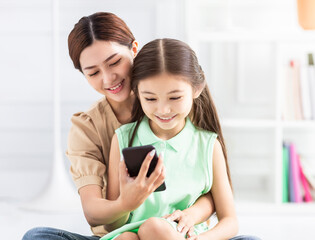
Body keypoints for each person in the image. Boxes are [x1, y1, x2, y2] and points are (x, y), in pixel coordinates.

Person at [22, 12, 259, 240]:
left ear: (133, 50)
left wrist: (195, 216)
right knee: (37, 237)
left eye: (114, 62)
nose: (108, 79)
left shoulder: (180, 102)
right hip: (122, 233)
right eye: (93, 72)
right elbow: (95, 214)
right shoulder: (104, 132)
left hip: (184, 232)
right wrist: (126, 202)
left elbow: (212, 194)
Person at [100, 38, 239, 240]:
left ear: (196, 89)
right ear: (137, 93)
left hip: (185, 236)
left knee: (154, 228)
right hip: (130, 234)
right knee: (124, 238)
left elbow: (230, 221)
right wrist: (125, 203)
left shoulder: (208, 145)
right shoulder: (124, 139)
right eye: (150, 98)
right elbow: (112, 224)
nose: (163, 110)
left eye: (175, 98)